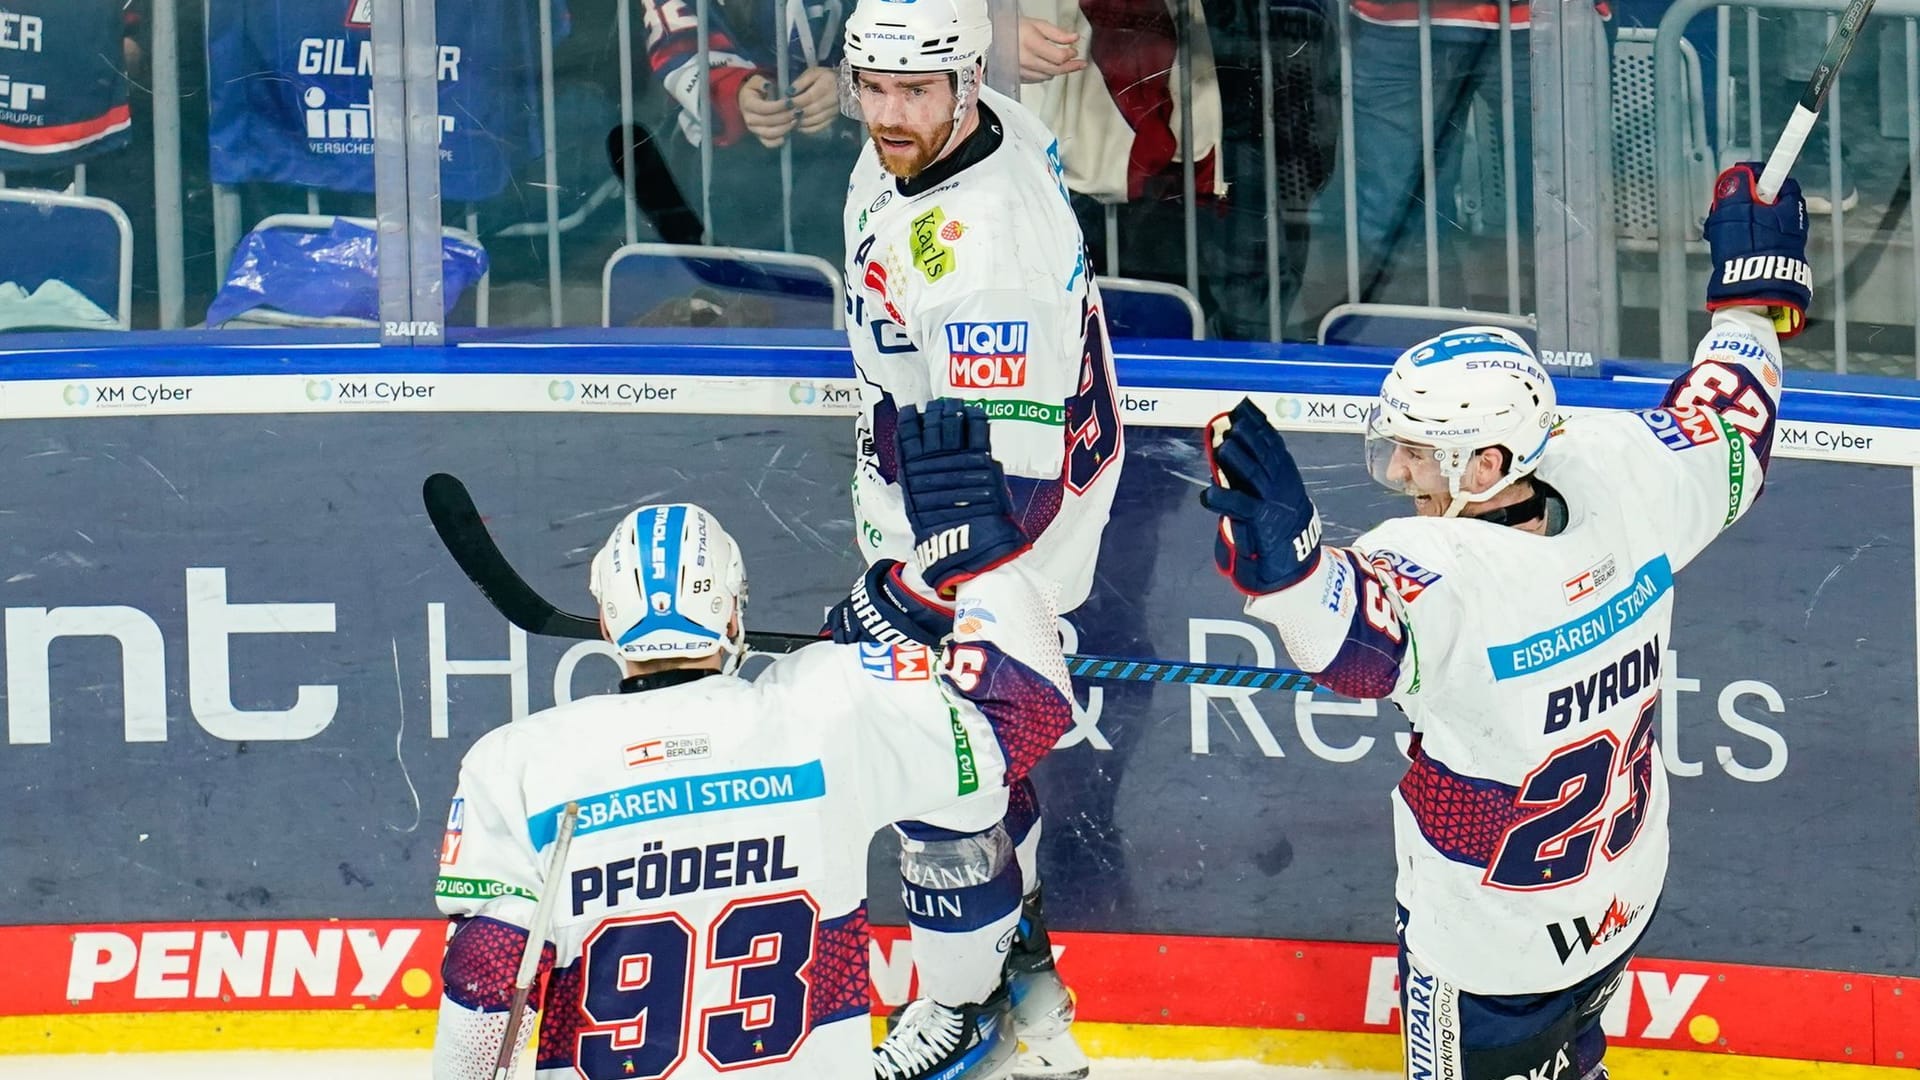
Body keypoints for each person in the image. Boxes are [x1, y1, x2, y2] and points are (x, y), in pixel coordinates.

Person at [1195, 162, 1806, 1079]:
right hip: (1619, 891)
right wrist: (1748, 311)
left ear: (1484, 464)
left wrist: (1288, 574)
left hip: (1490, 942)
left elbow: (1353, 649)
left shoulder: (1447, 568)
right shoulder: (1622, 469)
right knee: (1570, 1054)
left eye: (1412, 454)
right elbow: (1734, 424)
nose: (1399, 475)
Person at [429, 400, 1077, 1080]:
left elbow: (486, 979)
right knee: (960, 810)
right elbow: (1029, 708)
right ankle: (971, 1008)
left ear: (606, 623)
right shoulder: (826, 703)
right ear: (736, 610)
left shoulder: (518, 764)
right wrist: (984, 561)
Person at [830, 0, 1125, 1075]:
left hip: (1001, 551)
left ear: (962, 82)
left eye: (915, 91)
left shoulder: (982, 257)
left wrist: (911, 594)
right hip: (944, 513)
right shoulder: (960, 127)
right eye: (874, 87)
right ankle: (1025, 970)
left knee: (938, 779)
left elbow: (1019, 495)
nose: (891, 112)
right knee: (983, 774)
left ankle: (958, 1013)